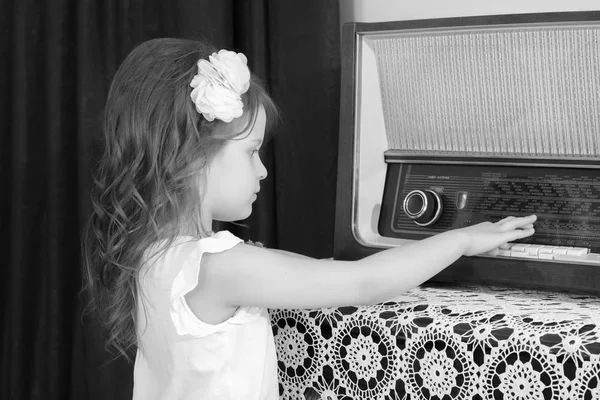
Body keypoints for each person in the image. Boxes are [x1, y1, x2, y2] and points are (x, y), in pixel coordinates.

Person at [82, 38, 537, 400]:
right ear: (191, 159)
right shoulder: (221, 266)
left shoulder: (149, 254)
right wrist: (459, 239)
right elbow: (363, 283)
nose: (262, 170)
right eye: (251, 151)